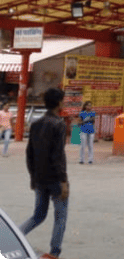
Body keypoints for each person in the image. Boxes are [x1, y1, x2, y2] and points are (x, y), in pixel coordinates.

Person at [20, 87, 69, 259]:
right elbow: (58, 156)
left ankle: (14, 238)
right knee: (60, 217)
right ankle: (54, 253)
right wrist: (63, 181)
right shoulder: (59, 124)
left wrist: (33, 177)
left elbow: (29, 154)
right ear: (59, 103)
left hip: (40, 177)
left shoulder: (36, 124)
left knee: (38, 216)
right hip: (55, 179)